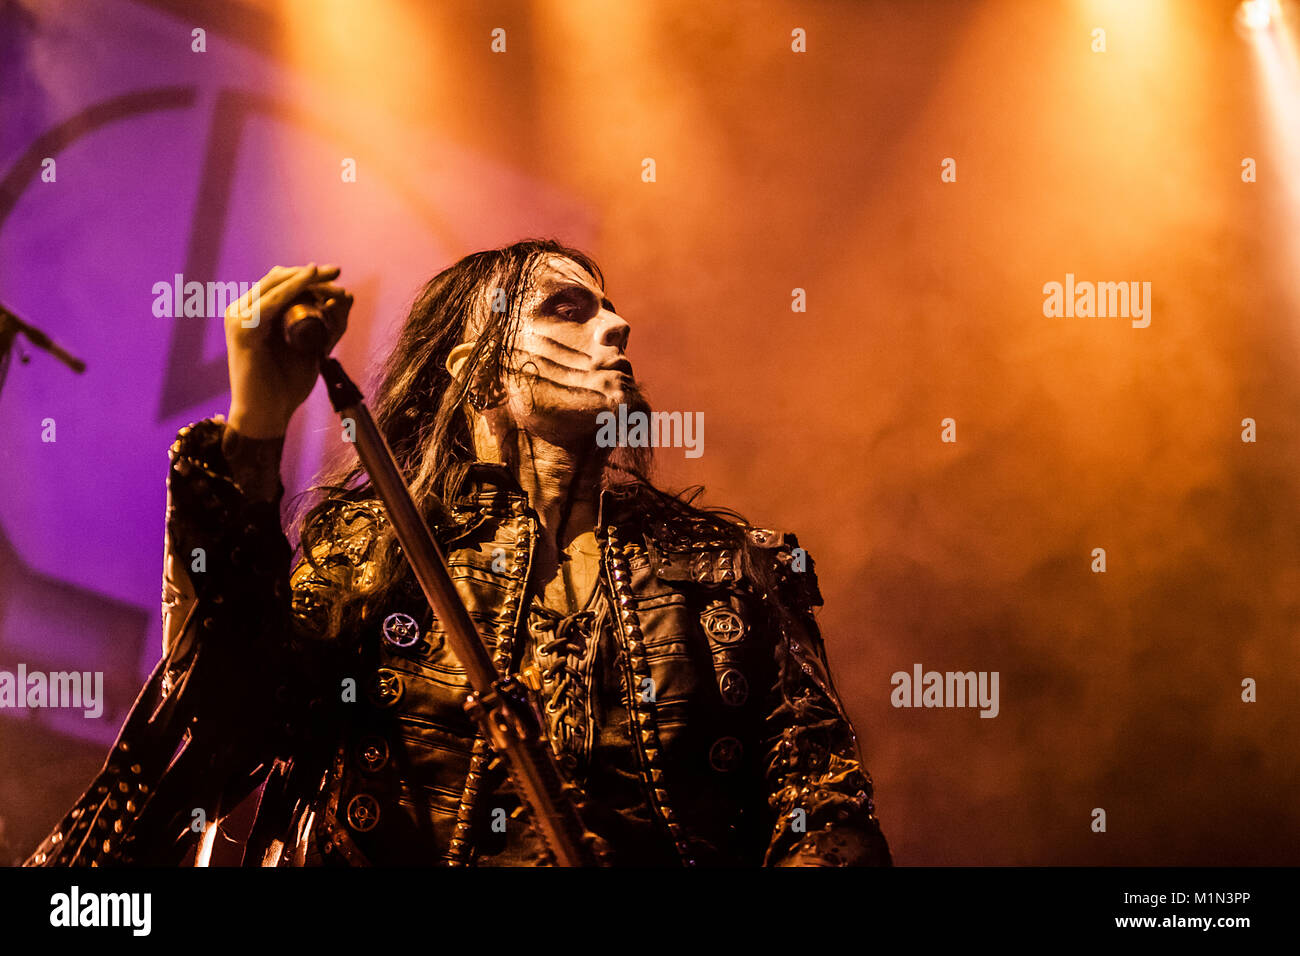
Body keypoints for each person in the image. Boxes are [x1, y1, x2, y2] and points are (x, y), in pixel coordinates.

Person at [27, 238, 891, 867]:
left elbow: (821, 799)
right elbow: (230, 711)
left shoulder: (727, 566)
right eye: (569, 307)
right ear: (478, 375)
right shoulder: (372, 551)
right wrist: (256, 429)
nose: (619, 325)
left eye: (611, 305)